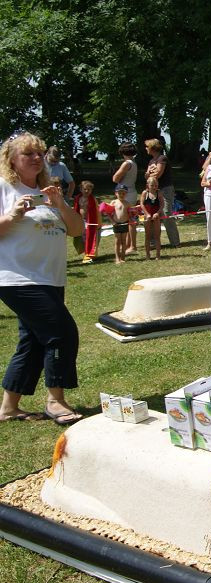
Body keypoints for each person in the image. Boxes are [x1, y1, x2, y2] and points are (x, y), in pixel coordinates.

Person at [0, 132, 84, 425]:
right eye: (29, 154)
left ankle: (9, 408)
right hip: (16, 279)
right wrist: (13, 215)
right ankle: (55, 401)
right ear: (12, 160)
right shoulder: (4, 188)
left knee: (33, 342)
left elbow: (76, 230)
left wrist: (60, 203)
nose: (37, 158)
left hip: (50, 278)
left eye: (40, 153)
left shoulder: (50, 190)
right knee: (61, 333)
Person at [144, 138, 180, 248]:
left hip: (165, 189)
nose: (146, 149)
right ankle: (153, 242)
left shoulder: (162, 158)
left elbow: (158, 174)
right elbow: (147, 176)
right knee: (152, 214)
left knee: (166, 214)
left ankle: (175, 242)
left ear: (152, 147)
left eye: (147, 147)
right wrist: (149, 173)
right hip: (153, 190)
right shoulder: (151, 161)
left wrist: (150, 173)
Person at [112, 142, 139, 253]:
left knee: (130, 221)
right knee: (129, 220)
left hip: (126, 194)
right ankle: (128, 245)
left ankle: (132, 246)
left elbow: (115, 178)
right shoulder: (133, 162)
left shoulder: (126, 163)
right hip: (131, 191)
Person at [73, 180, 99, 264]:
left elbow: (97, 211)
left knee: (89, 237)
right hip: (80, 220)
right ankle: (86, 253)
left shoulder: (93, 199)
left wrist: (99, 222)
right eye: (85, 189)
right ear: (81, 189)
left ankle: (88, 254)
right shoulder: (78, 198)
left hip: (90, 221)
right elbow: (75, 209)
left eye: (89, 189)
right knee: (82, 238)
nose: (87, 191)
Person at [140, 176, 163, 261]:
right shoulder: (145, 193)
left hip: (156, 216)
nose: (154, 187)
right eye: (152, 185)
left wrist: (158, 213)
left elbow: (162, 205)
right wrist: (147, 214)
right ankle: (147, 255)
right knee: (147, 236)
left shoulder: (159, 193)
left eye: (156, 185)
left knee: (157, 236)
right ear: (148, 185)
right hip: (147, 216)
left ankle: (158, 255)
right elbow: (142, 204)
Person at [110, 184, 131, 264]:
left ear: (126, 194)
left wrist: (132, 219)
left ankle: (123, 257)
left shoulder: (127, 203)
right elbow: (108, 213)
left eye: (123, 193)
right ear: (116, 193)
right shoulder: (114, 202)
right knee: (117, 241)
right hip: (117, 224)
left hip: (125, 224)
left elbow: (131, 214)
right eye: (120, 193)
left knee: (123, 241)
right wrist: (112, 221)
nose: (122, 195)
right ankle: (117, 258)